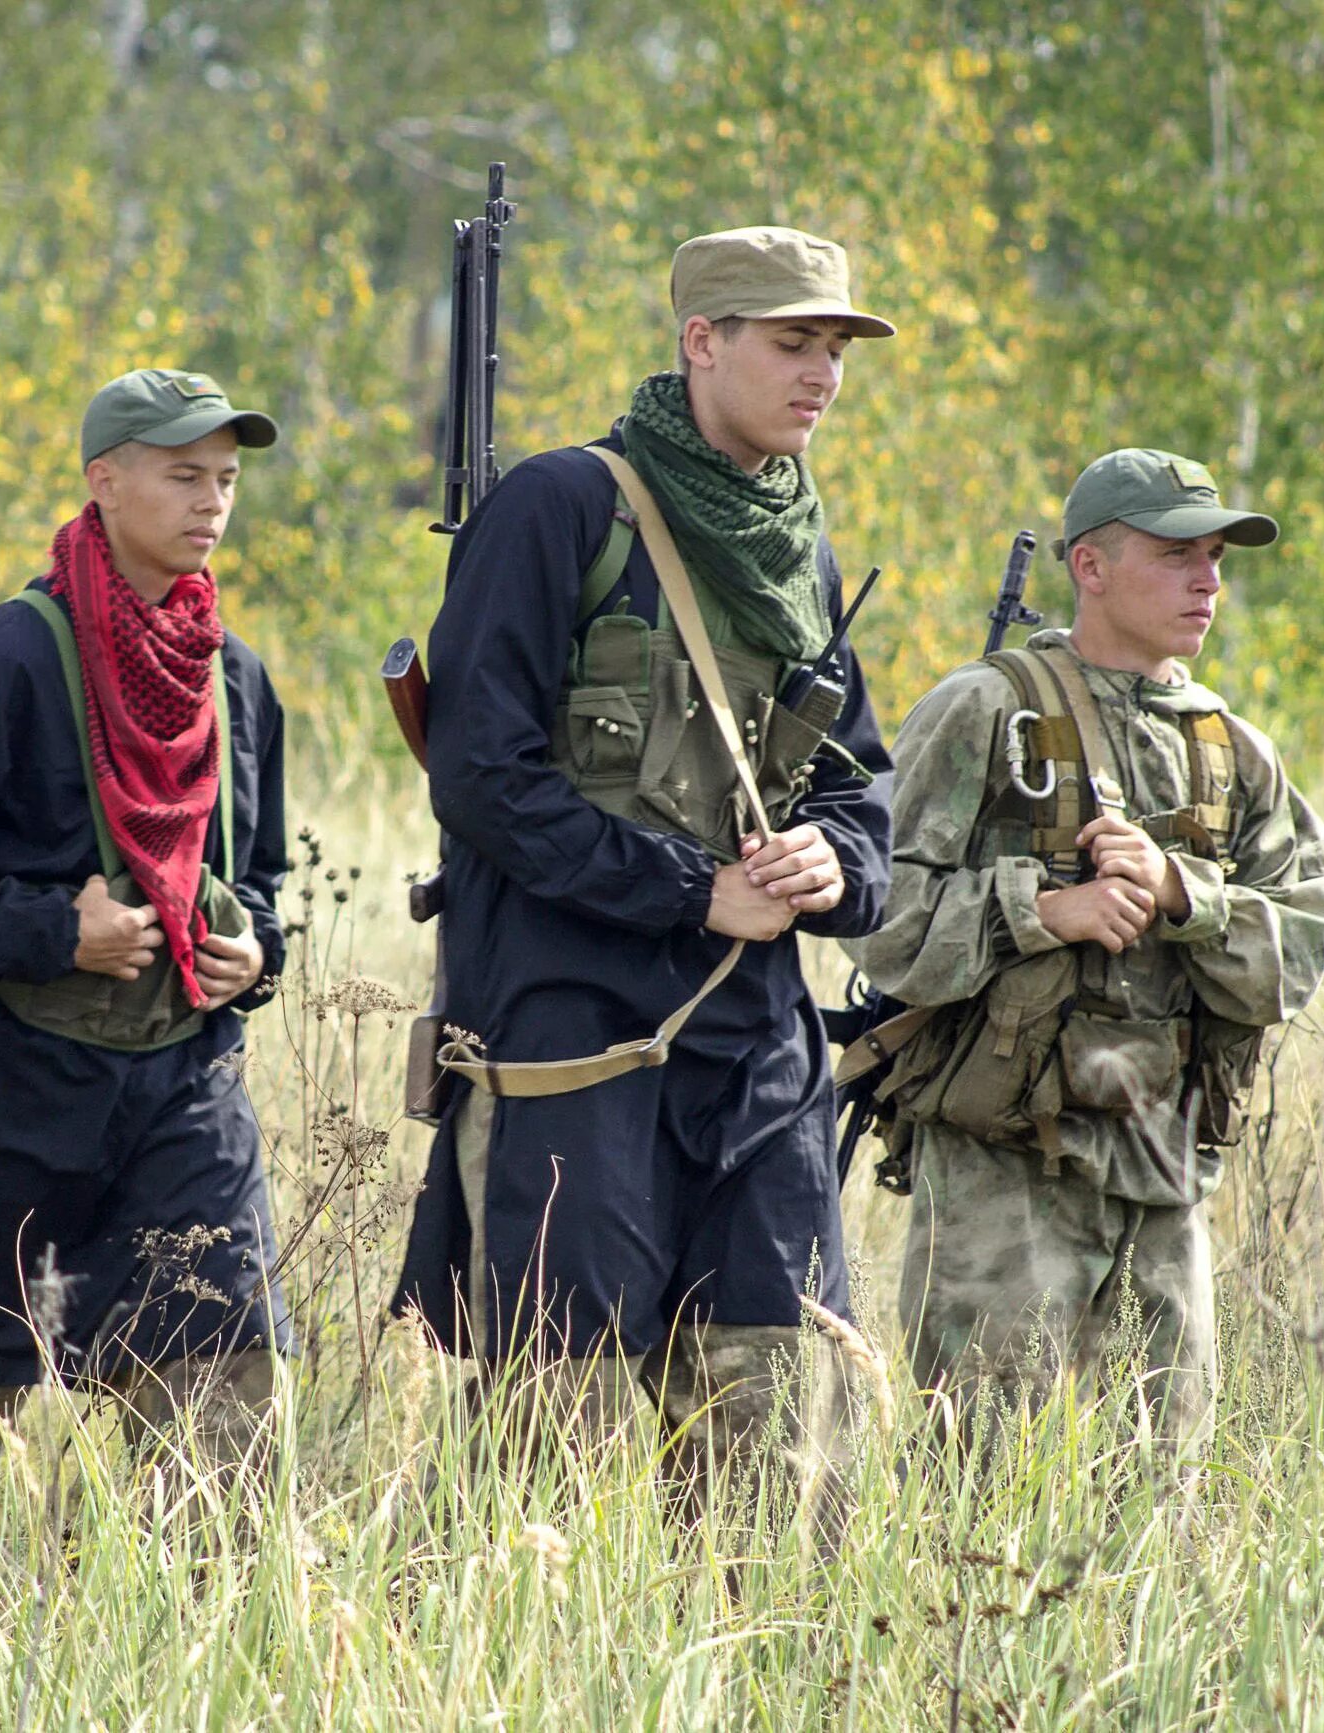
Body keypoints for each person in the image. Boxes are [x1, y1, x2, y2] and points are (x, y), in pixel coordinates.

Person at [386, 227, 897, 1515]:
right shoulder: (561, 507)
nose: (821, 372)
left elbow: (862, 790)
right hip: (573, 1040)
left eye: (833, 347)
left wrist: (828, 860)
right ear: (700, 341)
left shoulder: (799, 542)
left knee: (779, 1442)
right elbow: (480, 774)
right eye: (793, 342)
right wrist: (685, 888)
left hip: (758, 1060)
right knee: (555, 1449)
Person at [0, 370, 293, 1519]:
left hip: (183, 1087)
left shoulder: (236, 677)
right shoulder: (5, 658)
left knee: (223, 1379)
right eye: (183, 475)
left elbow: (263, 877)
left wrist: (254, 952)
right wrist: (51, 929)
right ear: (104, 479)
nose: (211, 501)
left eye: (225, 478)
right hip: (3, 1088)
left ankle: (188, 1662)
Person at [851, 448, 1324, 1454]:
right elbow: (882, 922)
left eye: (1214, 557)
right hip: (999, 1184)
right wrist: (1043, 907)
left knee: (1153, 1516)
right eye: (1176, 554)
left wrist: (1183, 893)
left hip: (1166, 1182)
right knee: (975, 1499)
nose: (1206, 580)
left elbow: (1300, 944)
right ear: (1089, 565)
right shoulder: (985, 712)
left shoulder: (1229, 748)